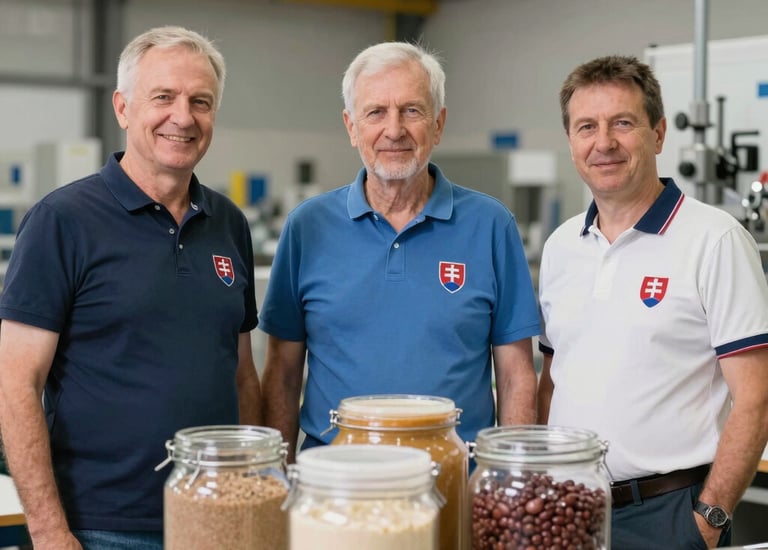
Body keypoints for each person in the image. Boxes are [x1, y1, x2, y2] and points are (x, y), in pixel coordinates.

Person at [0, 26, 262, 550]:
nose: (182, 117)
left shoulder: (229, 223)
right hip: (100, 525)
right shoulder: (62, 221)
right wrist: (51, 533)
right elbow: (14, 385)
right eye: (162, 97)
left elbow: (241, 375)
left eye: (200, 101)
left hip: (216, 515)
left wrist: (252, 493)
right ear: (122, 107)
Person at [258, 41, 541, 464]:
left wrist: (508, 487)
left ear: (439, 123)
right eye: (376, 112)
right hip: (336, 486)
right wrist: (275, 478)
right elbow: (281, 373)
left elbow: (517, 375)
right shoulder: (307, 228)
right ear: (351, 126)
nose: (394, 130)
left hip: (453, 484)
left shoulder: (490, 225)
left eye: (412, 110)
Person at [537, 54, 768, 549]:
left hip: (667, 514)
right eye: (586, 127)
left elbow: (757, 399)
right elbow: (551, 383)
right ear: (572, 142)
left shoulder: (715, 240)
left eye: (623, 123)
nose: (604, 143)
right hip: (567, 510)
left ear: (659, 134)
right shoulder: (560, 248)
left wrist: (706, 520)